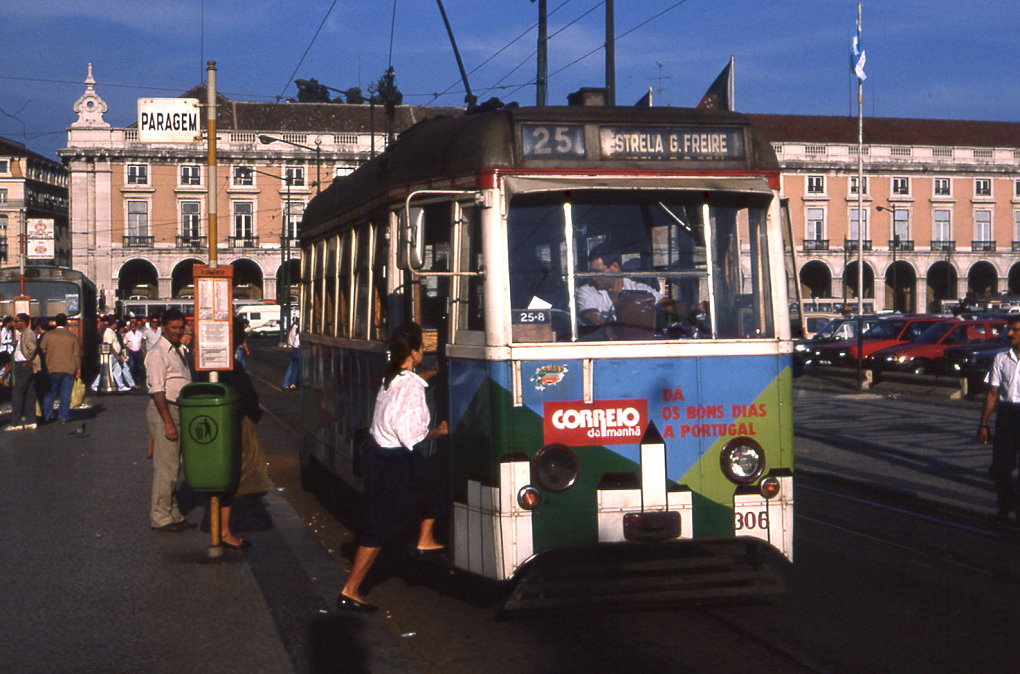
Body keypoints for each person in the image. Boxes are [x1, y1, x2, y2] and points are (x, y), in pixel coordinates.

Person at [336, 323, 449, 612]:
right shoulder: (410, 385)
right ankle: (350, 590)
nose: (424, 351)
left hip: (375, 455)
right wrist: (440, 431)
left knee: (430, 484)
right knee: (380, 528)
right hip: (391, 461)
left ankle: (424, 539)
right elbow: (411, 434)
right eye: (422, 347)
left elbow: (406, 386)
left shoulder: (393, 375)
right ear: (413, 352)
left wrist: (429, 375)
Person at [144, 308, 195, 532]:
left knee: (177, 465)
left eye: (180, 327)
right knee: (166, 467)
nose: (177, 332)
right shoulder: (158, 353)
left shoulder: (177, 350)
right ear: (164, 327)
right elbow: (157, 391)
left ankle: (173, 512)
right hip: (166, 409)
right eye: (173, 328)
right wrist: (167, 422)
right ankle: (160, 516)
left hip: (178, 409)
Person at [978, 315, 1020, 526]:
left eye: (1015, 330)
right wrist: (983, 424)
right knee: (999, 467)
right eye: (1009, 330)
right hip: (1007, 414)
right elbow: (993, 393)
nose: (1010, 334)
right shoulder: (1001, 358)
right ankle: (1006, 506)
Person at [576, 247, 663, 339]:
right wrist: (606, 325)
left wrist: (675, 310)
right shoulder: (586, 291)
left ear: (615, 267)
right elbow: (590, 315)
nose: (593, 278)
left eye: (598, 272)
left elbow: (665, 303)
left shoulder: (639, 288)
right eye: (591, 273)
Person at [38, 313, 81, 425]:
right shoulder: (72, 336)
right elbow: (76, 354)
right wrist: (78, 369)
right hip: (69, 368)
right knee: (65, 394)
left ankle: (46, 416)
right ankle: (63, 417)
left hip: (51, 367)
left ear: (55, 322)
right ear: (66, 322)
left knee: (49, 393)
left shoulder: (48, 335)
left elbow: (41, 350)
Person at [5, 314, 39, 431]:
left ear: (24, 322)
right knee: (29, 392)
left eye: (17, 321)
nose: (14, 323)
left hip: (24, 365)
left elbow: (32, 348)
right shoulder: (24, 333)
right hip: (23, 364)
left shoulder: (28, 333)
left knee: (17, 393)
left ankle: (16, 422)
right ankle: (31, 421)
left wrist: (29, 359)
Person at [123, 318, 146, 384]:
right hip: (131, 351)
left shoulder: (140, 333)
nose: (133, 327)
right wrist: (128, 347)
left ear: (136, 326)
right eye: (132, 326)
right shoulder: (128, 334)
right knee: (132, 366)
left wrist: (144, 351)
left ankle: (139, 379)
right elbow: (124, 343)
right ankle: (133, 379)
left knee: (139, 366)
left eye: (134, 326)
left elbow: (143, 342)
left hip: (139, 351)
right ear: (130, 326)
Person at [282, 319, 300, 390]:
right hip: (298, 350)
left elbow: (290, 341)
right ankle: (292, 383)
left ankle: (286, 383)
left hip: (293, 349)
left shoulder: (292, 329)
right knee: (298, 368)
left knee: (292, 367)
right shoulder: (297, 331)